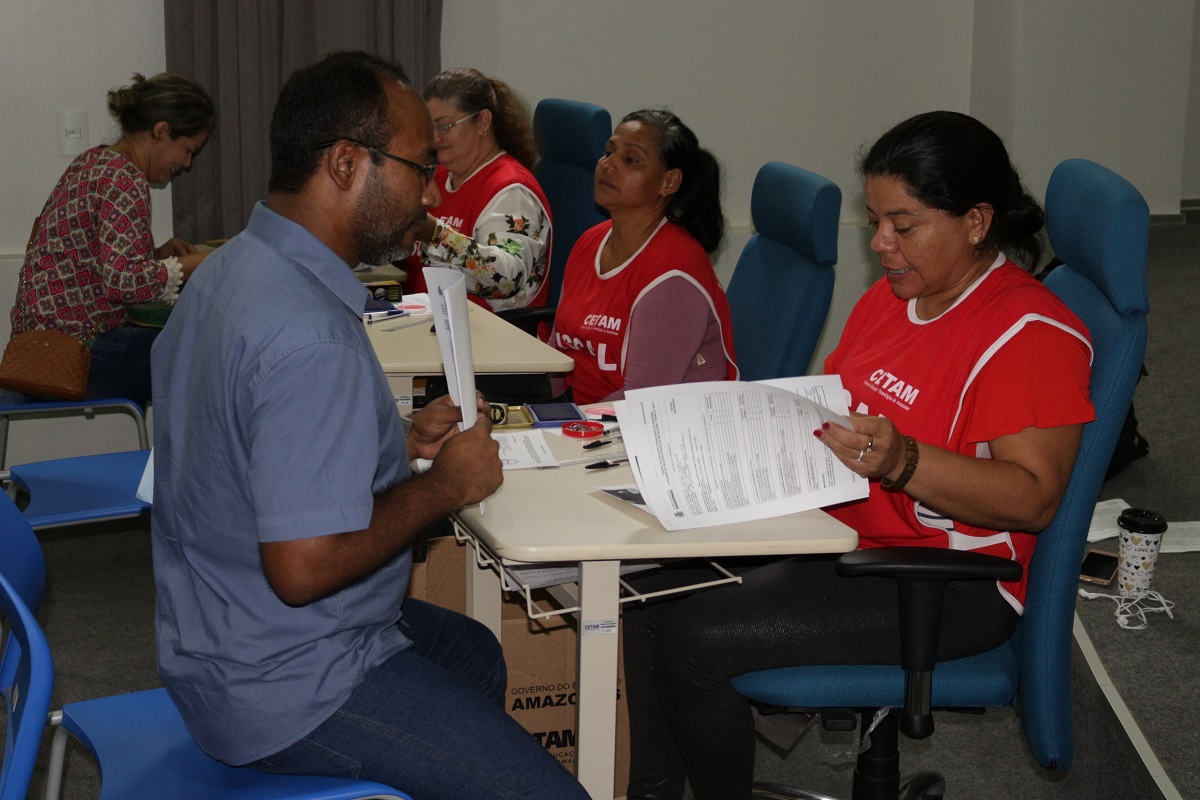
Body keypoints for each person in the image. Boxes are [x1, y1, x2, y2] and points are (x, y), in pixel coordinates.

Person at [620, 111, 1096, 800]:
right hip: (842, 530)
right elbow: (836, 416)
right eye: (876, 221)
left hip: (942, 582)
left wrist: (904, 462)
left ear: (976, 220)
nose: (881, 245)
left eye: (903, 226)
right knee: (647, 588)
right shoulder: (891, 297)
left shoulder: (1030, 333)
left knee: (696, 637)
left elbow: (1033, 497)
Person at [149, 51, 587, 799]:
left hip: (212, 630)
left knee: (473, 652)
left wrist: (396, 446)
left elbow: (246, 444)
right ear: (348, 164)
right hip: (289, 681)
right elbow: (304, 569)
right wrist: (444, 485)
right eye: (420, 167)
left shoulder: (230, 270)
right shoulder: (308, 337)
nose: (431, 193)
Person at [11, 71, 214, 405]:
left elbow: (97, 263)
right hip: (76, 354)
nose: (187, 164)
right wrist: (199, 262)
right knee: (205, 358)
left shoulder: (92, 162)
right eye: (188, 150)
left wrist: (158, 255)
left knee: (186, 349)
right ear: (161, 131)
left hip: (39, 348)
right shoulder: (123, 178)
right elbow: (122, 282)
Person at [549, 108, 738, 405]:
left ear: (669, 182)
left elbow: (641, 401)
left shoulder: (674, 277)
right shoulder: (590, 242)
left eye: (630, 160)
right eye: (608, 152)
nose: (608, 166)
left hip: (644, 431)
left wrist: (564, 428)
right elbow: (558, 354)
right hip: (583, 416)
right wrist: (536, 413)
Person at [403, 67, 552, 311]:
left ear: (482, 121)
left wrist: (436, 234)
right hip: (425, 317)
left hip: (487, 334)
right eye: (431, 127)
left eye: (446, 126)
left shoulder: (512, 190)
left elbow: (506, 280)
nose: (435, 138)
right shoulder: (439, 176)